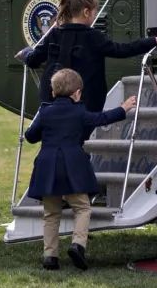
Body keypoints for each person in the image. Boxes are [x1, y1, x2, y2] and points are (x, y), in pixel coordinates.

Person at [24, 68, 138, 270]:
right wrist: (123, 108)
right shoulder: (79, 111)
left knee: (51, 213)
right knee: (82, 207)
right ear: (77, 93)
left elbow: (31, 136)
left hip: (47, 166)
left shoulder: (45, 111)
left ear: (52, 92)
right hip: (72, 166)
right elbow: (101, 119)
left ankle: (50, 256)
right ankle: (77, 245)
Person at [19, 0, 157, 113]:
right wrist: (152, 41)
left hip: (51, 100)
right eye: (95, 12)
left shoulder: (54, 34)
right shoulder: (93, 37)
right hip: (84, 102)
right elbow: (123, 50)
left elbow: (34, 59)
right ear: (86, 12)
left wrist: (26, 53)